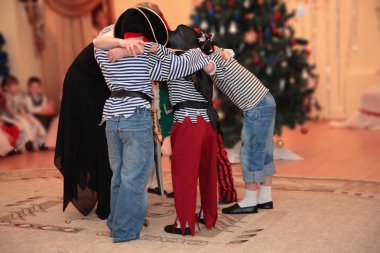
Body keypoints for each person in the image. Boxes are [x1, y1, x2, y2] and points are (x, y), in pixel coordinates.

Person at [93, 7, 215, 242]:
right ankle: (125, 230)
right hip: (136, 115)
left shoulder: (105, 43)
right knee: (135, 177)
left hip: (111, 115)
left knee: (118, 175)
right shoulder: (149, 60)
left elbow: (97, 42)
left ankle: (116, 223)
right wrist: (198, 51)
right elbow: (189, 61)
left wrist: (122, 46)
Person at [207, 42, 276, 214]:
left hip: (257, 105)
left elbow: (206, 66)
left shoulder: (213, 60)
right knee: (264, 150)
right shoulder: (220, 54)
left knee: (251, 151)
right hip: (265, 100)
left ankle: (250, 201)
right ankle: (265, 197)